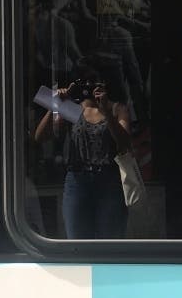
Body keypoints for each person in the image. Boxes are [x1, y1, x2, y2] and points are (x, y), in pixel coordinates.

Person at [33, 65, 131, 240]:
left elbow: (124, 143)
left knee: (110, 239)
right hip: (78, 180)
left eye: (94, 83)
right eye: (84, 84)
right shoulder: (73, 109)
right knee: (77, 239)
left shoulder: (117, 109)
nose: (89, 87)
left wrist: (107, 113)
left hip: (109, 180)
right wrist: (55, 104)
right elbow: (41, 136)